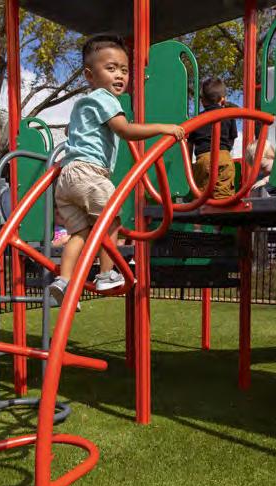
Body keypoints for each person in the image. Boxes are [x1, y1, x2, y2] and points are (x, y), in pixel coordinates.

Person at [49, 34, 185, 304]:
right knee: (111, 219)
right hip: (89, 173)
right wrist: (163, 128)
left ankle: (63, 280)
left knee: (79, 234)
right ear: (90, 75)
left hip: (67, 178)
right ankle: (106, 274)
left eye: (124, 70)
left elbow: (69, 131)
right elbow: (125, 130)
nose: (120, 75)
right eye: (111, 68)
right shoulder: (106, 98)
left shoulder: (83, 104)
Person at [189, 78, 238, 199]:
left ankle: (205, 208)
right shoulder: (229, 115)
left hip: (202, 160)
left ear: (202, 101)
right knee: (224, 196)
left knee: (203, 197)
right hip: (223, 157)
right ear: (223, 99)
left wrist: (189, 165)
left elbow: (189, 144)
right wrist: (225, 151)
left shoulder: (196, 120)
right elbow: (231, 139)